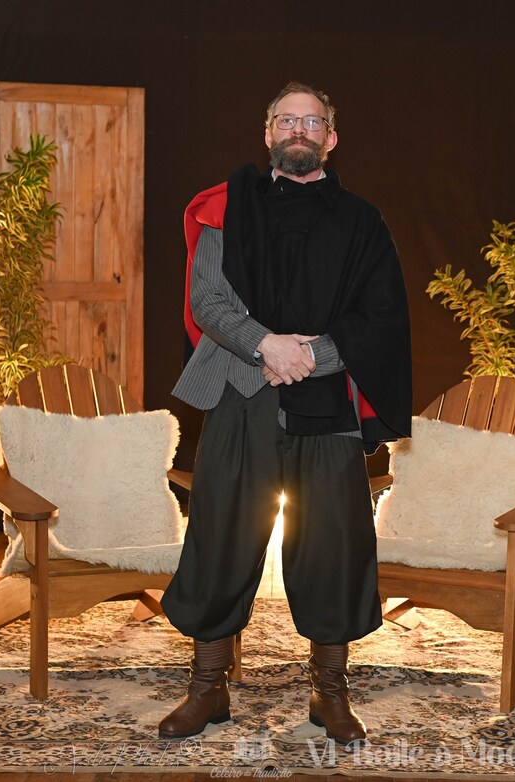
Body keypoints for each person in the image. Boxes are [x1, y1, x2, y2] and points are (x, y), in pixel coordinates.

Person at [159, 82, 412, 743]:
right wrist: (265, 345)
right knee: (220, 535)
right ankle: (207, 688)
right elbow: (208, 301)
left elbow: (379, 316)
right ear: (268, 132)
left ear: (331, 138)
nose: (299, 129)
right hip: (241, 394)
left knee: (332, 544)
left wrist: (310, 356)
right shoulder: (225, 209)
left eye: (313, 121)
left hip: (327, 405)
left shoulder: (362, 223)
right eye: (287, 120)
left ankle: (329, 692)